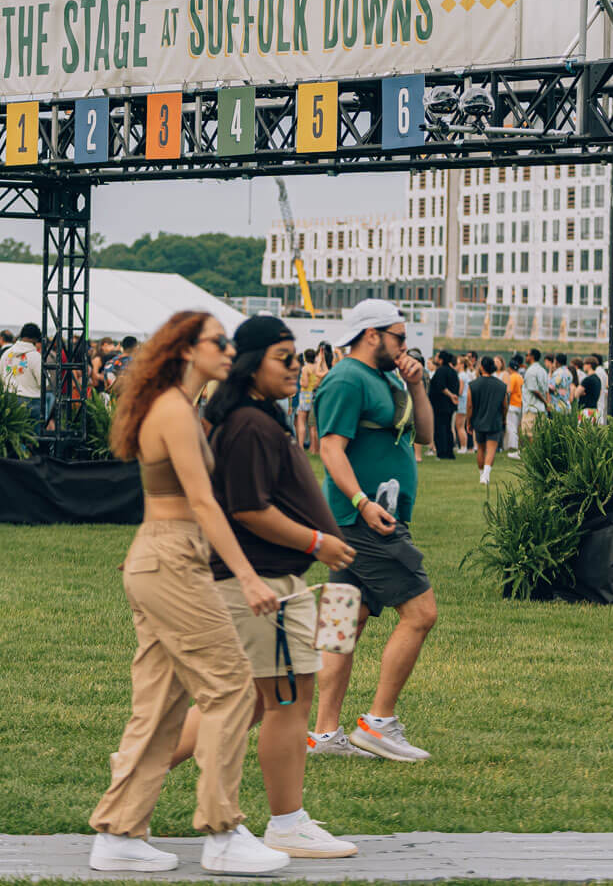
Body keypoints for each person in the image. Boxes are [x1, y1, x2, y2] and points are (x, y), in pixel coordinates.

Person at [88, 312, 290, 877]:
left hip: (160, 559)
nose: (229, 350)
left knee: (160, 706)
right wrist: (247, 575)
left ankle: (119, 833)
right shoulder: (175, 411)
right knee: (231, 689)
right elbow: (201, 503)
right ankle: (222, 832)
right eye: (217, 342)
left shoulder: (183, 408)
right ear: (186, 349)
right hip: (172, 560)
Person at [165, 316, 359, 859]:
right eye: (284, 356)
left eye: (297, 356)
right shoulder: (249, 423)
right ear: (251, 363)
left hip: (269, 582)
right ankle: (286, 823)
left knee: (252, 702)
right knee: (286, 702)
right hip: (262, 586)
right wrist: (318, 542)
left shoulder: (254, 417)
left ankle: (140, 768)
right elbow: (250, 508)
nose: (297, 366)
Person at [308, 298, 437, 763]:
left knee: (345, 621)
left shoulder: (387, 378)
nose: (407, 345)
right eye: (400, 336)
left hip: (369, 515)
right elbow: (330, 449)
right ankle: (379, 723)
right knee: (421, 612)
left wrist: (417, 387)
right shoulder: (346, 378)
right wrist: (362, 504)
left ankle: (325, 734)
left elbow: (424, 437)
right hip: (362, 518)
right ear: (372, 335)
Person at [468, 355, 507, 485]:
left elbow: (469, 405)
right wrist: (504, 419)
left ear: (482, 367)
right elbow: (505, 405)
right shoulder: (501, 385)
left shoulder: (473, 385)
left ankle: (481, 475)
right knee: (491, 450)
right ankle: (485, 475)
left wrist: (469, 421)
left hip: (478, 421)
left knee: (480, 448)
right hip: (495, 420)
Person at [0, 323, 47, 425]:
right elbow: (43, 382)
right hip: (31, 401)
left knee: (13, 436)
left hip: (9, 398)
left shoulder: (7, 353)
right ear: (36, 339)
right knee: (32, 437)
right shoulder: (36, 357)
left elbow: (1, 374)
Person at [427, 351, 460, 461]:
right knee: (448, 428)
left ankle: (441, 452)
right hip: (450, 406)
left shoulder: (440, 371)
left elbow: (441, 386)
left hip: (440, 405)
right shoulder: (453, 372)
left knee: (440, 429)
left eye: (437, 357)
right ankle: (449, 452)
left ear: (441, 360)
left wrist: (450, 396)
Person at [294, 350, 321, 453]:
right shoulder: (316, 367)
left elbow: (304, 384)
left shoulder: (305, 368)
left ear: (305, 357)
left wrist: (300, 381)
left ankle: (300, 446)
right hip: (313, 394)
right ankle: (314, 447)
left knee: (301, 422)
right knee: (312, 424)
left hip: (305, 395)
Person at [520, 348, 550, 439]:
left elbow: (534, 391)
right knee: (538, 435)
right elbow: (546, 390)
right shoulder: (543, 370)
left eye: (527, 355)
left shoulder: (530, 371)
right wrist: (547, 404)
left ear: (532, 357)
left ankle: (530, 453)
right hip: (541, 409)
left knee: (530, 435)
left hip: (531, 407)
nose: (525, 357)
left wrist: (546, 402)